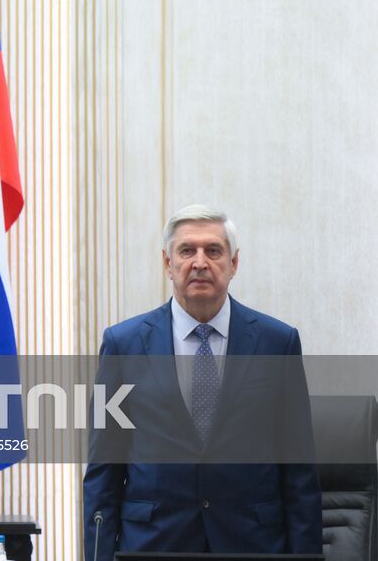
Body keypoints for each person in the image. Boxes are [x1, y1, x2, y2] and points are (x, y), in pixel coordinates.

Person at [81, 205, 321, 558]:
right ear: (167, 263)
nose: (199, 262)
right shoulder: (123, 344)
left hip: (251, 545)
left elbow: (299, 471)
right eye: (186, 250)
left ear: (234, 263)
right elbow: (104, 469)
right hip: (154, 545)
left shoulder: (277, 342)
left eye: (213, 250)